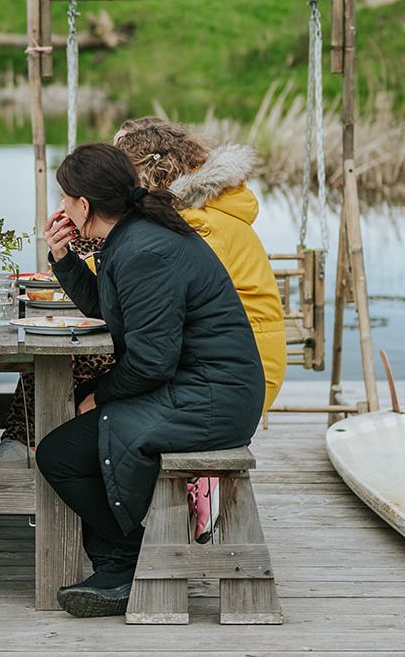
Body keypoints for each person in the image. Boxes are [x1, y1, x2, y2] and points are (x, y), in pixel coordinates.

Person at [34, 144, 265, 618]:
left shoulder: (144, 250)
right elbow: (106, 304)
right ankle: (120, 564)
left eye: (64, 198)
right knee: (80, 430)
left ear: (83, 205)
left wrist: (99, 396)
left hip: (211, 399)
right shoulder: (134, 236)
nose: (60, 208)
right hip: (198, 387)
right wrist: (61, 256)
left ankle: (133, 555)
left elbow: (151, 363)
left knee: (60, 454)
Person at [114, 117, 287, 538]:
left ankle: (120, 513)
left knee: (99, 383)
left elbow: (158, 296)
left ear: (146, 173)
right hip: (234, 360)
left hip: (235, 376)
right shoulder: (198, 212)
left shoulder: (198, 224)